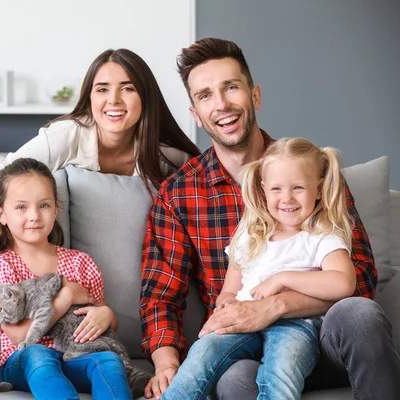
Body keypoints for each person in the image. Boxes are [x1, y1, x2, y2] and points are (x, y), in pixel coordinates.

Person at [140, 37, 400, 400]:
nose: (222, 104)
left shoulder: (312, 175)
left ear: (255, 95)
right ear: (195, 114)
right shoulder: (179, 195)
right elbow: (161, 298)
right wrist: (167, 367)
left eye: (231, 87)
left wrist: (277, 303)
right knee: (235, 381)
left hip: (319, 337)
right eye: (206, 95)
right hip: (243, 346)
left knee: (361, 315)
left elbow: (359, 281)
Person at [0, 48, 200, 258]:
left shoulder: (166, 155)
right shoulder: (65, 136)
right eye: (102, 89)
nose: (113, 100)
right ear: (90, 96)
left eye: (128, 89)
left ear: (146, 97)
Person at [162, 137, 357, 399]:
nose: (287, 198)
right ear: (263, 189)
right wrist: (227, 303)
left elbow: (343, 284)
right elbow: (229, 290)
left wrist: (282, 278)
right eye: (277, 189)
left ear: (319, 189)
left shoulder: (322, 236)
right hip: (244, 320)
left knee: (281, 369)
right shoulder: (250, 235)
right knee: (203, 353)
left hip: (296, 325)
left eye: (298, 187)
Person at [0, 157, 133, 399]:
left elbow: (101, 315)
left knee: (109, 361)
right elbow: (18, 337)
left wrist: (108, 316)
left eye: (44, 206)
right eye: (21, 207)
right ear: (1, 213)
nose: (34, 216)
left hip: (73, 355)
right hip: (21, 359)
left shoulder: (81, 262)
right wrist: (66, 296)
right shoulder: (2, 265)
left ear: (56, 208)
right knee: (38, 354)